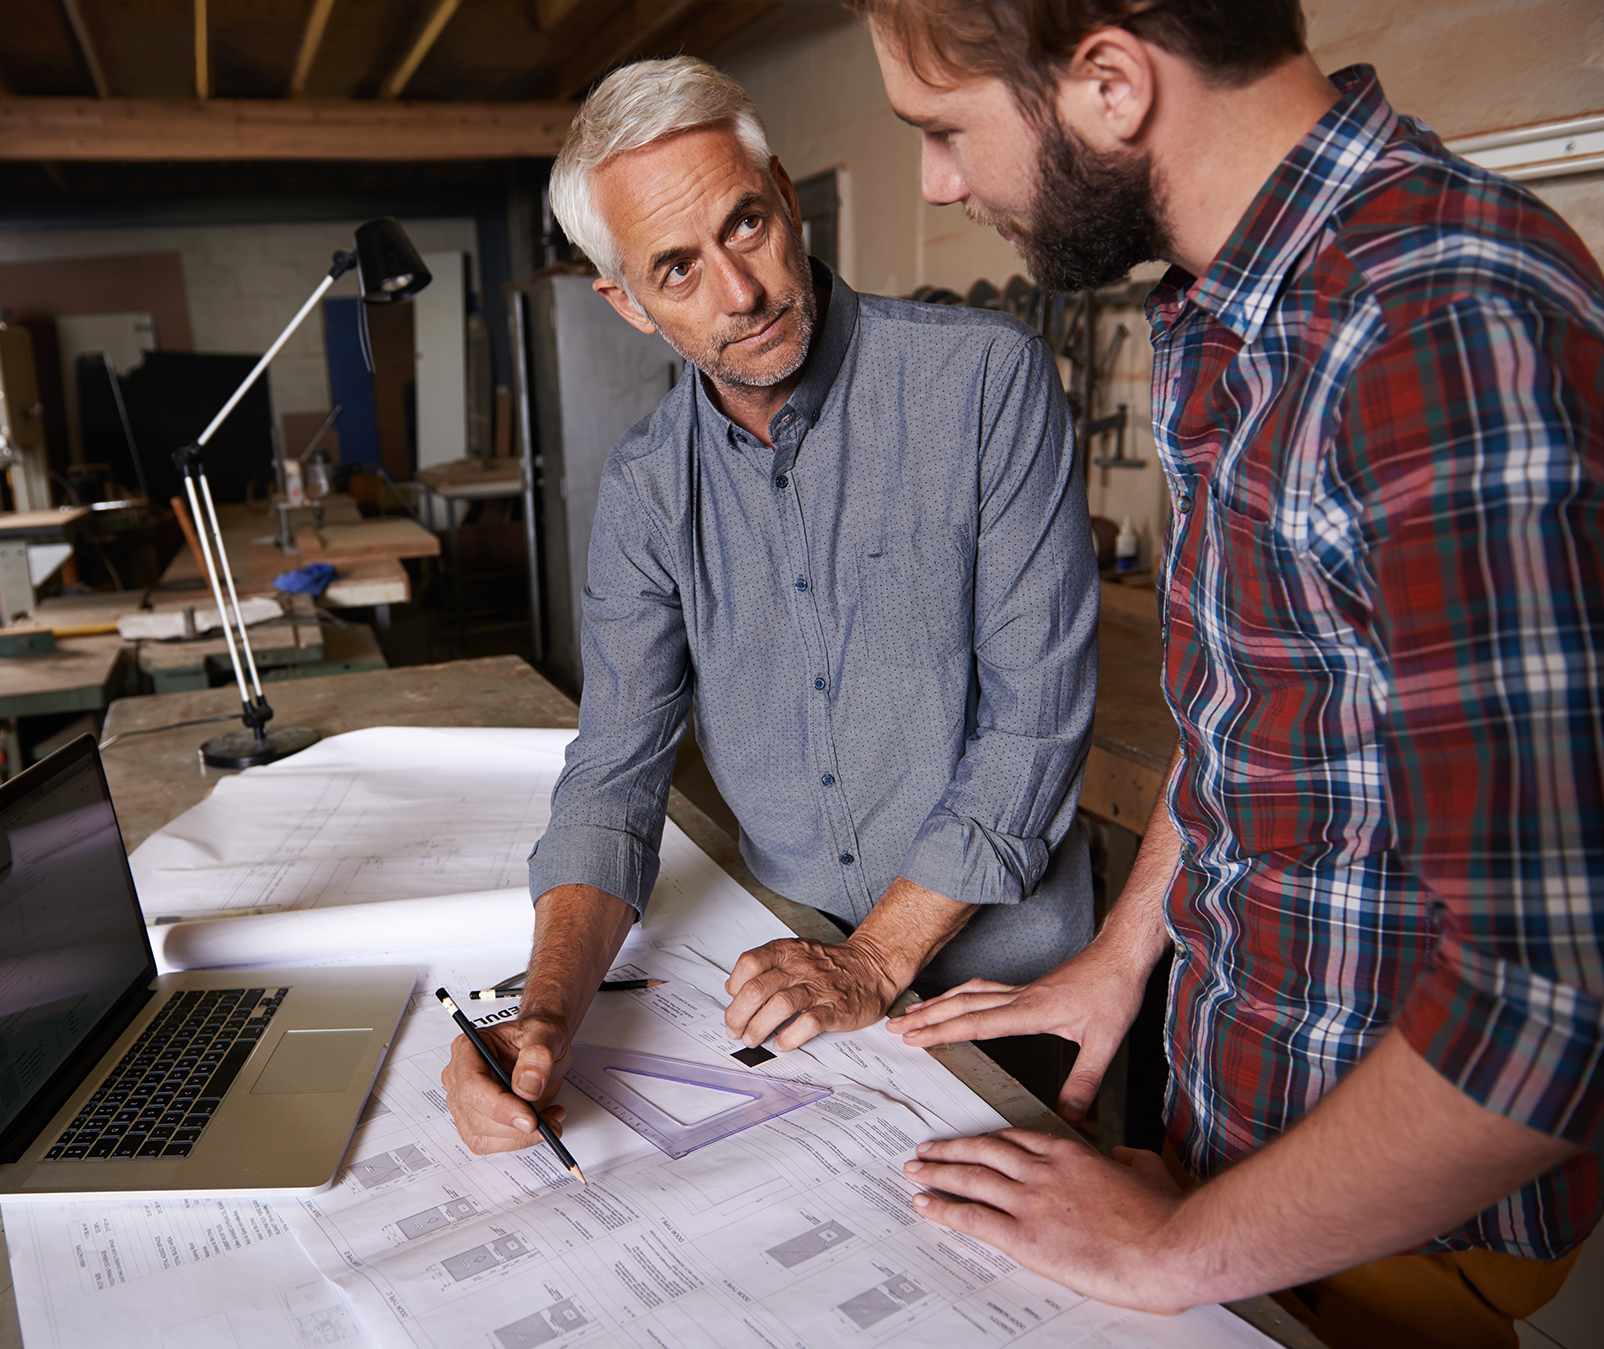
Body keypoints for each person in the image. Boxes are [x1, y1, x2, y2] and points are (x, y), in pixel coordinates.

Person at [861, 2, 1603, 1343]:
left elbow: (1549, 1010)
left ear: (1108, 82)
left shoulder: (1432, 324)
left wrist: (1172, 1251)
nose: (939, 182)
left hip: (1392, 1239)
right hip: (1238, 1165)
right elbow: (1252, 712)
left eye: (945, 130)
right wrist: (1121, 954)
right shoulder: (1230, 302)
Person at [443, 57, 1100, 1159]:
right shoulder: (649, 488)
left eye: (745, 224)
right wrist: (545, 1011)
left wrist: (875, 961)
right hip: (791, 992)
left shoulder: (985, 383)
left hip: (1005, 994)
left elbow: (1034, 724)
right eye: (677, 269)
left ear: (786, 196)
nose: (739, 294)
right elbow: (613, 769)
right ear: (628, 303)